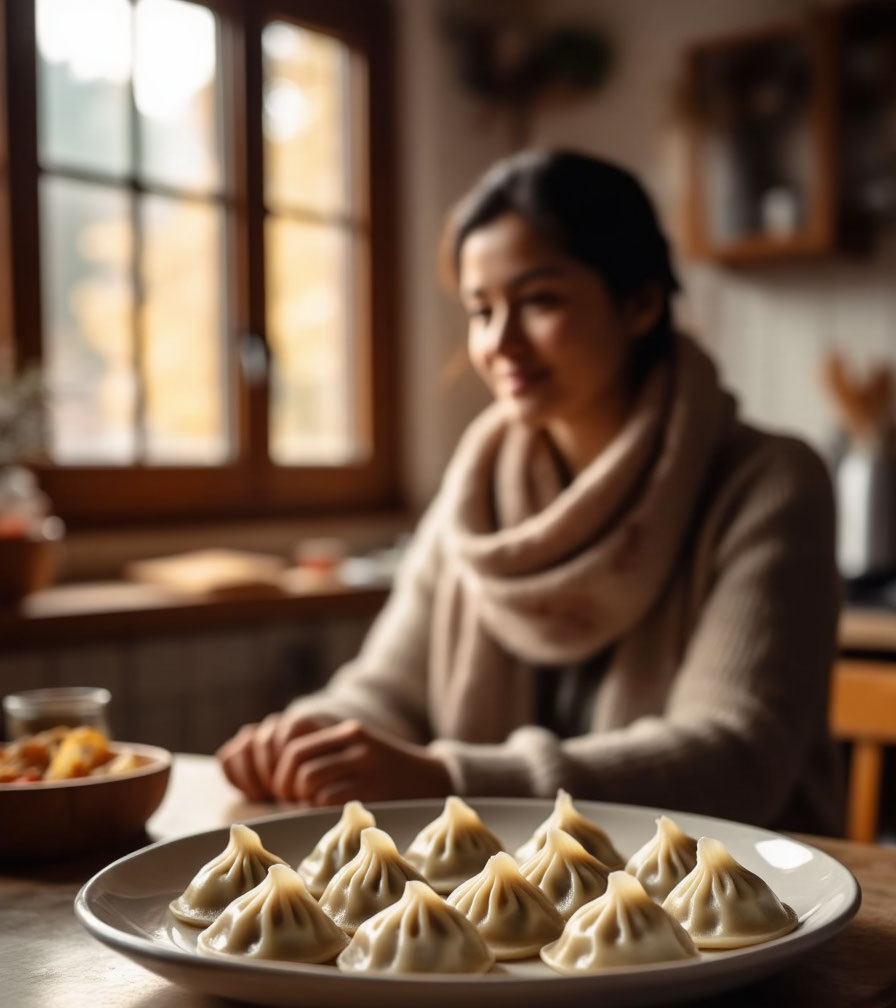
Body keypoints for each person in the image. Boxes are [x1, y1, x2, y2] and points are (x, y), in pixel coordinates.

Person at [217, 149, 842, 834]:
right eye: (481, 310)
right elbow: (388, 690)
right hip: (508, 913)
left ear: (639, 303)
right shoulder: (476, 493)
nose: (500, 342)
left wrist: (453, 781)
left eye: (539, 301)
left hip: (747, 909)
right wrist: (310, 739)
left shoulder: (770, 483)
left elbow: (735, 756)